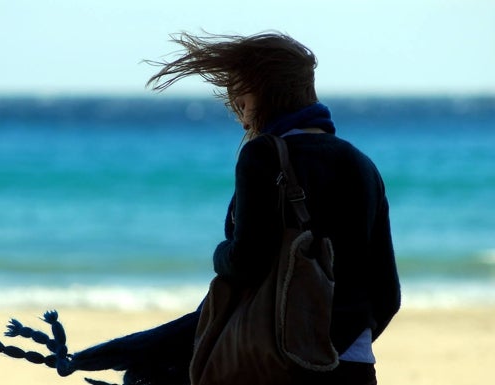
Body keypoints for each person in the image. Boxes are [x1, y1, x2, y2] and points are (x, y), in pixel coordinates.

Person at [145, 31, 401, 384]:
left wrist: (220, 254)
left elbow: (246, 263)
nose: (240, 112)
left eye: (241, 98)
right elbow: (388, 295)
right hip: (355, 367)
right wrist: (341, 342)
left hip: (275, 364)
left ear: (264, 93)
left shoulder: (263, 155)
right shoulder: (362, 164)